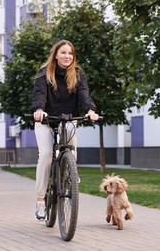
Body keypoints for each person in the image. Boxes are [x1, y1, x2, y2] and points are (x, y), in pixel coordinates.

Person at [31, 40, 99, 220]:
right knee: (45, 155)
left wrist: (90, 110)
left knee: (70, 141)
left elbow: (84, 95)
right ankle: (40, 201)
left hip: (67, 119)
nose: (67, 56)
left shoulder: (78, 73)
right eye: (63, 52)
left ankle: (70, 171)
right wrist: (38, 110)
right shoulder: (44, 73)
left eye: (70, 53)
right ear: (56, 54)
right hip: (46, 120)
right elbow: (39, 94)